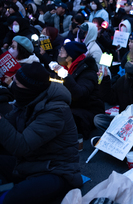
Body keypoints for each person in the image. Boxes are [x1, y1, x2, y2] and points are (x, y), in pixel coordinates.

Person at [0, 62, 82, 203]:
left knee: (13, 198)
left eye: (17, 83)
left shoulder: (56, 110)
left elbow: (21, 146)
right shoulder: (29, 99)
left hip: (57, 171)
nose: (13, 85)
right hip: (32, 161)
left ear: (30, 88)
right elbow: (9, 123)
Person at [54, 41, 104, 138]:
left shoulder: (87, 72)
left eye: (62, 52)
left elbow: (79, 94)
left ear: (70, 57)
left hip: (88, 110)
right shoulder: (66, 68)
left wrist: (65, 76)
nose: (59, 55)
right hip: (73, 105)